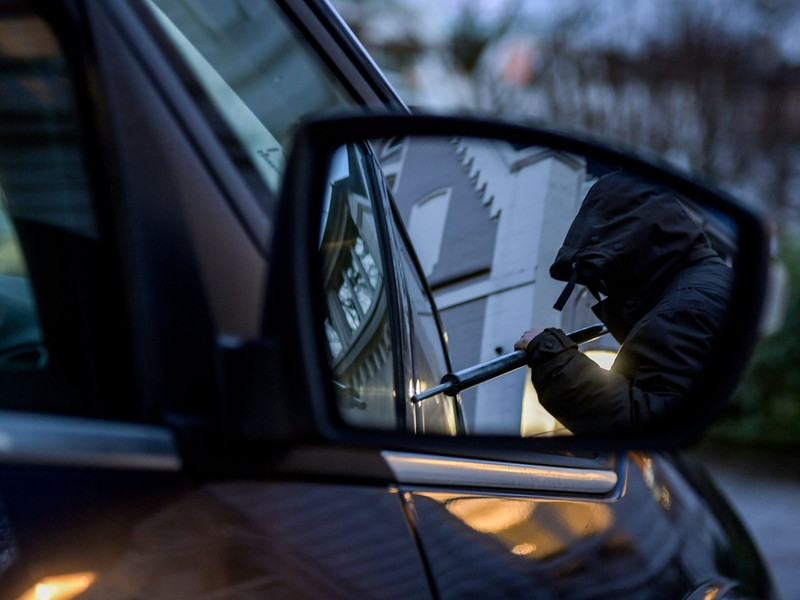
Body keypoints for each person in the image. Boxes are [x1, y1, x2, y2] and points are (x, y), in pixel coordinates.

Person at [514, 171, 734, 435]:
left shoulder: (682, 310)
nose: (607, 286)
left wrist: (550, 353)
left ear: (628, 250)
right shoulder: (706, 280)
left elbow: (647, 424)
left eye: (607, 271)